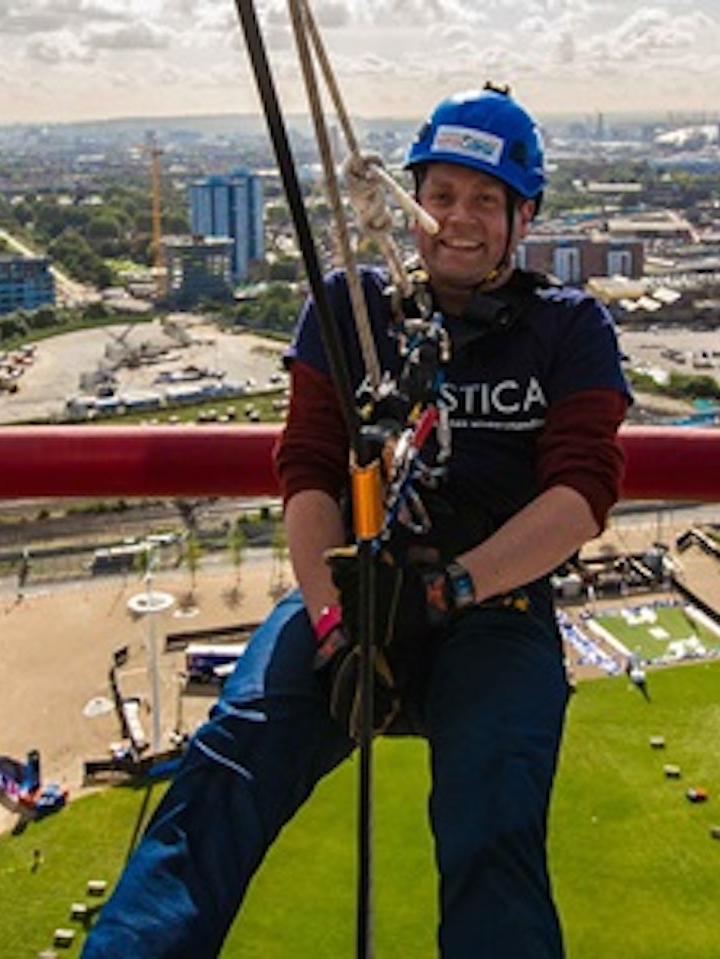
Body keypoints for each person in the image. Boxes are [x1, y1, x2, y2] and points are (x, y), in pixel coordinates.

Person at [84, 83, 630, 959]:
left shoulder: (567, 329)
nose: (459, 218)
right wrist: (336, 619)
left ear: (523, 217)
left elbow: (580, 496)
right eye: (441, 194)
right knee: (227, 770)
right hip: (350, 587)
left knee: (492, 818)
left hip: (495, 605)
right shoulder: (350, 310)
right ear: (408, 203)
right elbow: (307, 472)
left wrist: (447, 591)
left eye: (486, 200)